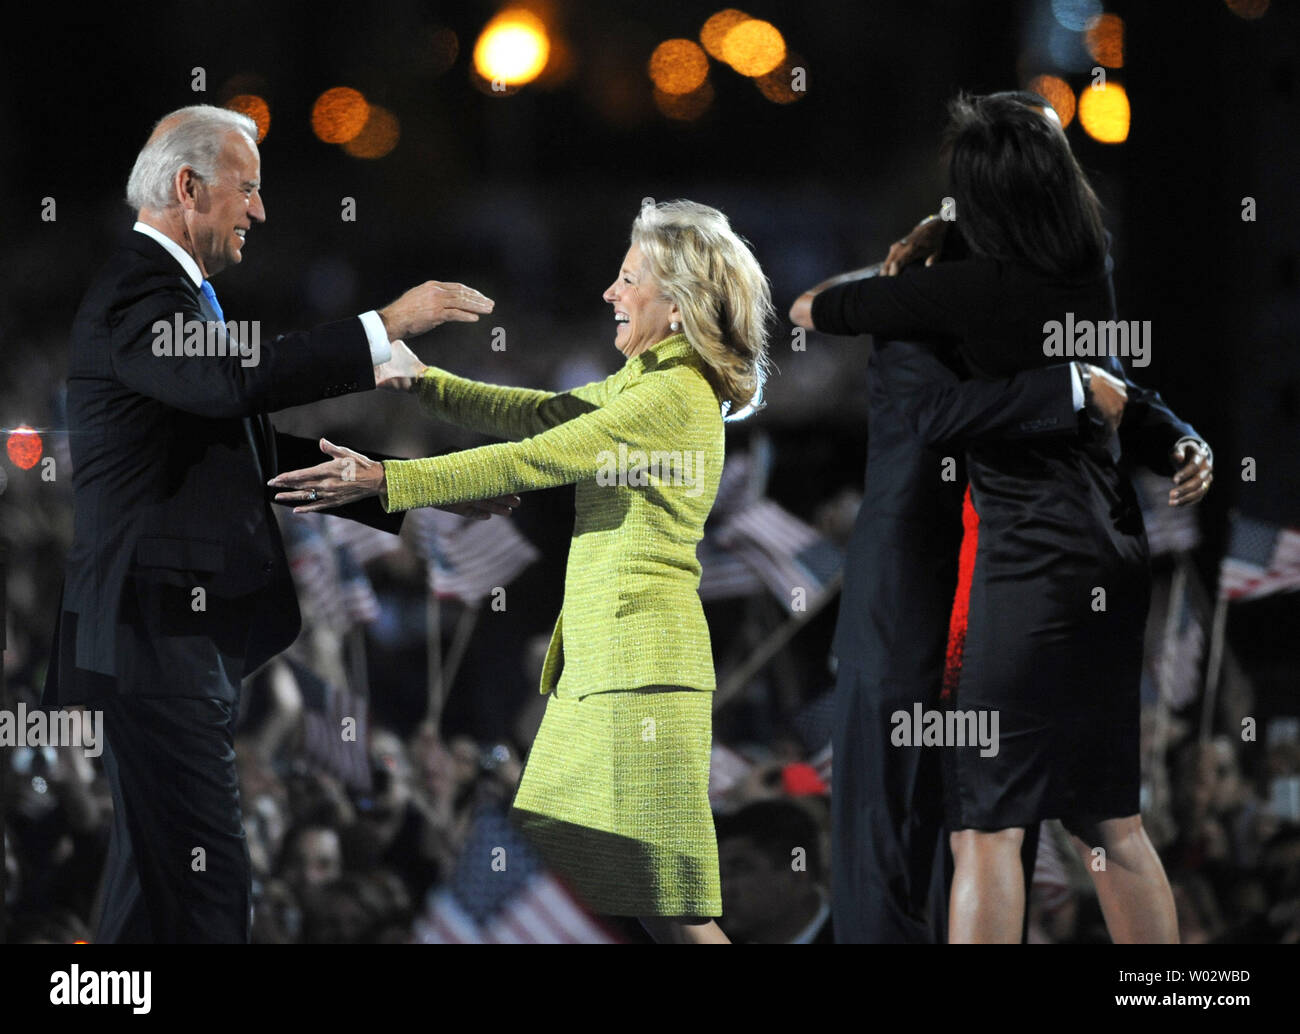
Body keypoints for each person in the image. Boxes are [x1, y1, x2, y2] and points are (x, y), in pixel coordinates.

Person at [44, 104, 511, 943]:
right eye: (248, 189)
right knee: (210, 897)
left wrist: (419, 486)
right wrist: (383, 328)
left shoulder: (175, 297)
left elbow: (247, 456)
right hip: (156, 645)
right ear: (189, 188)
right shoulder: (138, 293)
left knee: (151, 906)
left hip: (161, 646)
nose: (260, 211)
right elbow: (233, 385)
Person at [270, 199, 773, 944]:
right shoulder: (648, 382)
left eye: (628, 278)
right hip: (605, 670)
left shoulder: (672, 394)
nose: (609, 291)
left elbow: (535, 458)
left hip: (641, 674)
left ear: (678, 305)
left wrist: (386, 480)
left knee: (671, 907)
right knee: (597, 891)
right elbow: (543, 417)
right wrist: (424, 381)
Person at [792, 91, 1213, 943]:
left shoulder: (956, 294)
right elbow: (1111, 384)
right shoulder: (1091, 266)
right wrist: (1174, 434)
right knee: (1109, 822)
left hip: (1028, 563)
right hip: (1110, 544)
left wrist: (917, 247)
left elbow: (814, 308)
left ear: (973, 198)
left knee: (987, 826)